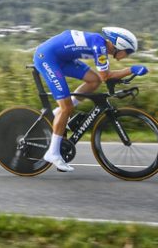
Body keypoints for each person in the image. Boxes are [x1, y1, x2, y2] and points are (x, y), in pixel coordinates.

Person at [33, 26, 148, 172]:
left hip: (62, 58)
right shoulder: (99, 47)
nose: (128, 55)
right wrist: (131, 69)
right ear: (120, 45)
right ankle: (53, 153)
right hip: (47, 58)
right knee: (66, 108)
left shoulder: (100, 46)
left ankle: (59, 114)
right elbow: (106, 76)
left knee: (94, 81)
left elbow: (101, 78)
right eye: (129, 51)